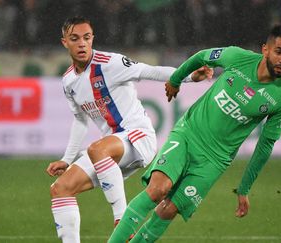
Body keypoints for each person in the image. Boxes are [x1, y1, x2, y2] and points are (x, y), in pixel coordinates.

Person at [109, 25, 281, 242]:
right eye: (279, 52)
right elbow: (202, 57)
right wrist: (175, 79)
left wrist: (244, 188)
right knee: (158, 190)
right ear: (265, 49)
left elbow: (265, 145)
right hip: (189, 135)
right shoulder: (237, 57)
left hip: (214, 161)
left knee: (169, 210)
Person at [45, 16, 212, 243]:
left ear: (93, 38)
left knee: (97, 149)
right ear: (65, 42)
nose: (82, 44)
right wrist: (67, 158)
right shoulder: (68, 82)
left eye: (86, 38)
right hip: (110, 148)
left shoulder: (109, 63)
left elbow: (149, 71)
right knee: (60, 188)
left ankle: (123, 221)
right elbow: (80, 120)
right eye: (75, 39)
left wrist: (190, 76)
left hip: (138, 136)